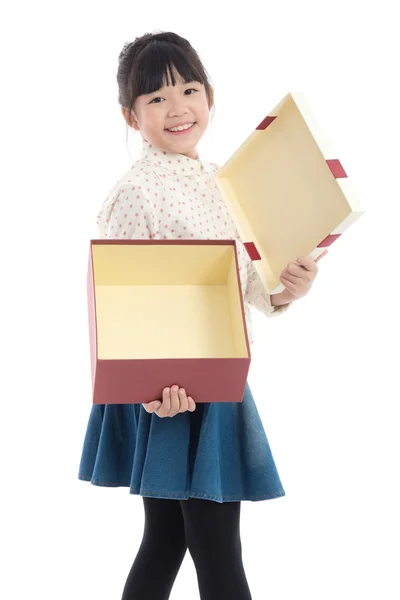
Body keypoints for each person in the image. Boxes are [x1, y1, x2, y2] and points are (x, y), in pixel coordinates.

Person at [78, 30, 325, 600]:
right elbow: (126, 303)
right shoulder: (135, 192)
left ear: (210, 96)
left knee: (168, 540)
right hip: (171, 393)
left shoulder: (222, 182)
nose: (177, 108)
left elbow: (247, 286)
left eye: (188, 89)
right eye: (156, 98)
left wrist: (290, 288)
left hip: (218, 377)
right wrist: (146, 388)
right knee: (214, 548)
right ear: (130, 115)